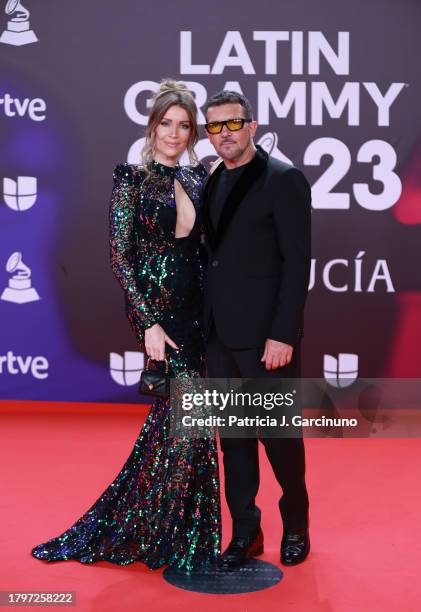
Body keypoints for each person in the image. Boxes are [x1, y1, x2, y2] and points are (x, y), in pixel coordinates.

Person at [31, 80, 221, 573]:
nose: (175, 134)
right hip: (160, 312)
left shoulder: (201, 178)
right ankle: (163, 532)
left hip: (198, 309)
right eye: (167, 124)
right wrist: (148, 323)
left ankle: (178, 527)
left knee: (186, 424)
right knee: (188, 419)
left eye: (184, 126)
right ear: (152, 126)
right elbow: (121, 257)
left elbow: (206, 248)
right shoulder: (131, 179)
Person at [202, 90, 311, 568]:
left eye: (232, 124)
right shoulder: (211, 182)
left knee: (281, 443)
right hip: (219, 337)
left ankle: (297, 526)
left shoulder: (282, 179)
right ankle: (246, 531)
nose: (224, 134)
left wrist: (283, 333)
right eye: (214, 127)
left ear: (252, 124)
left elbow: (296, 263)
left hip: (268, 341)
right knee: (235, 444)